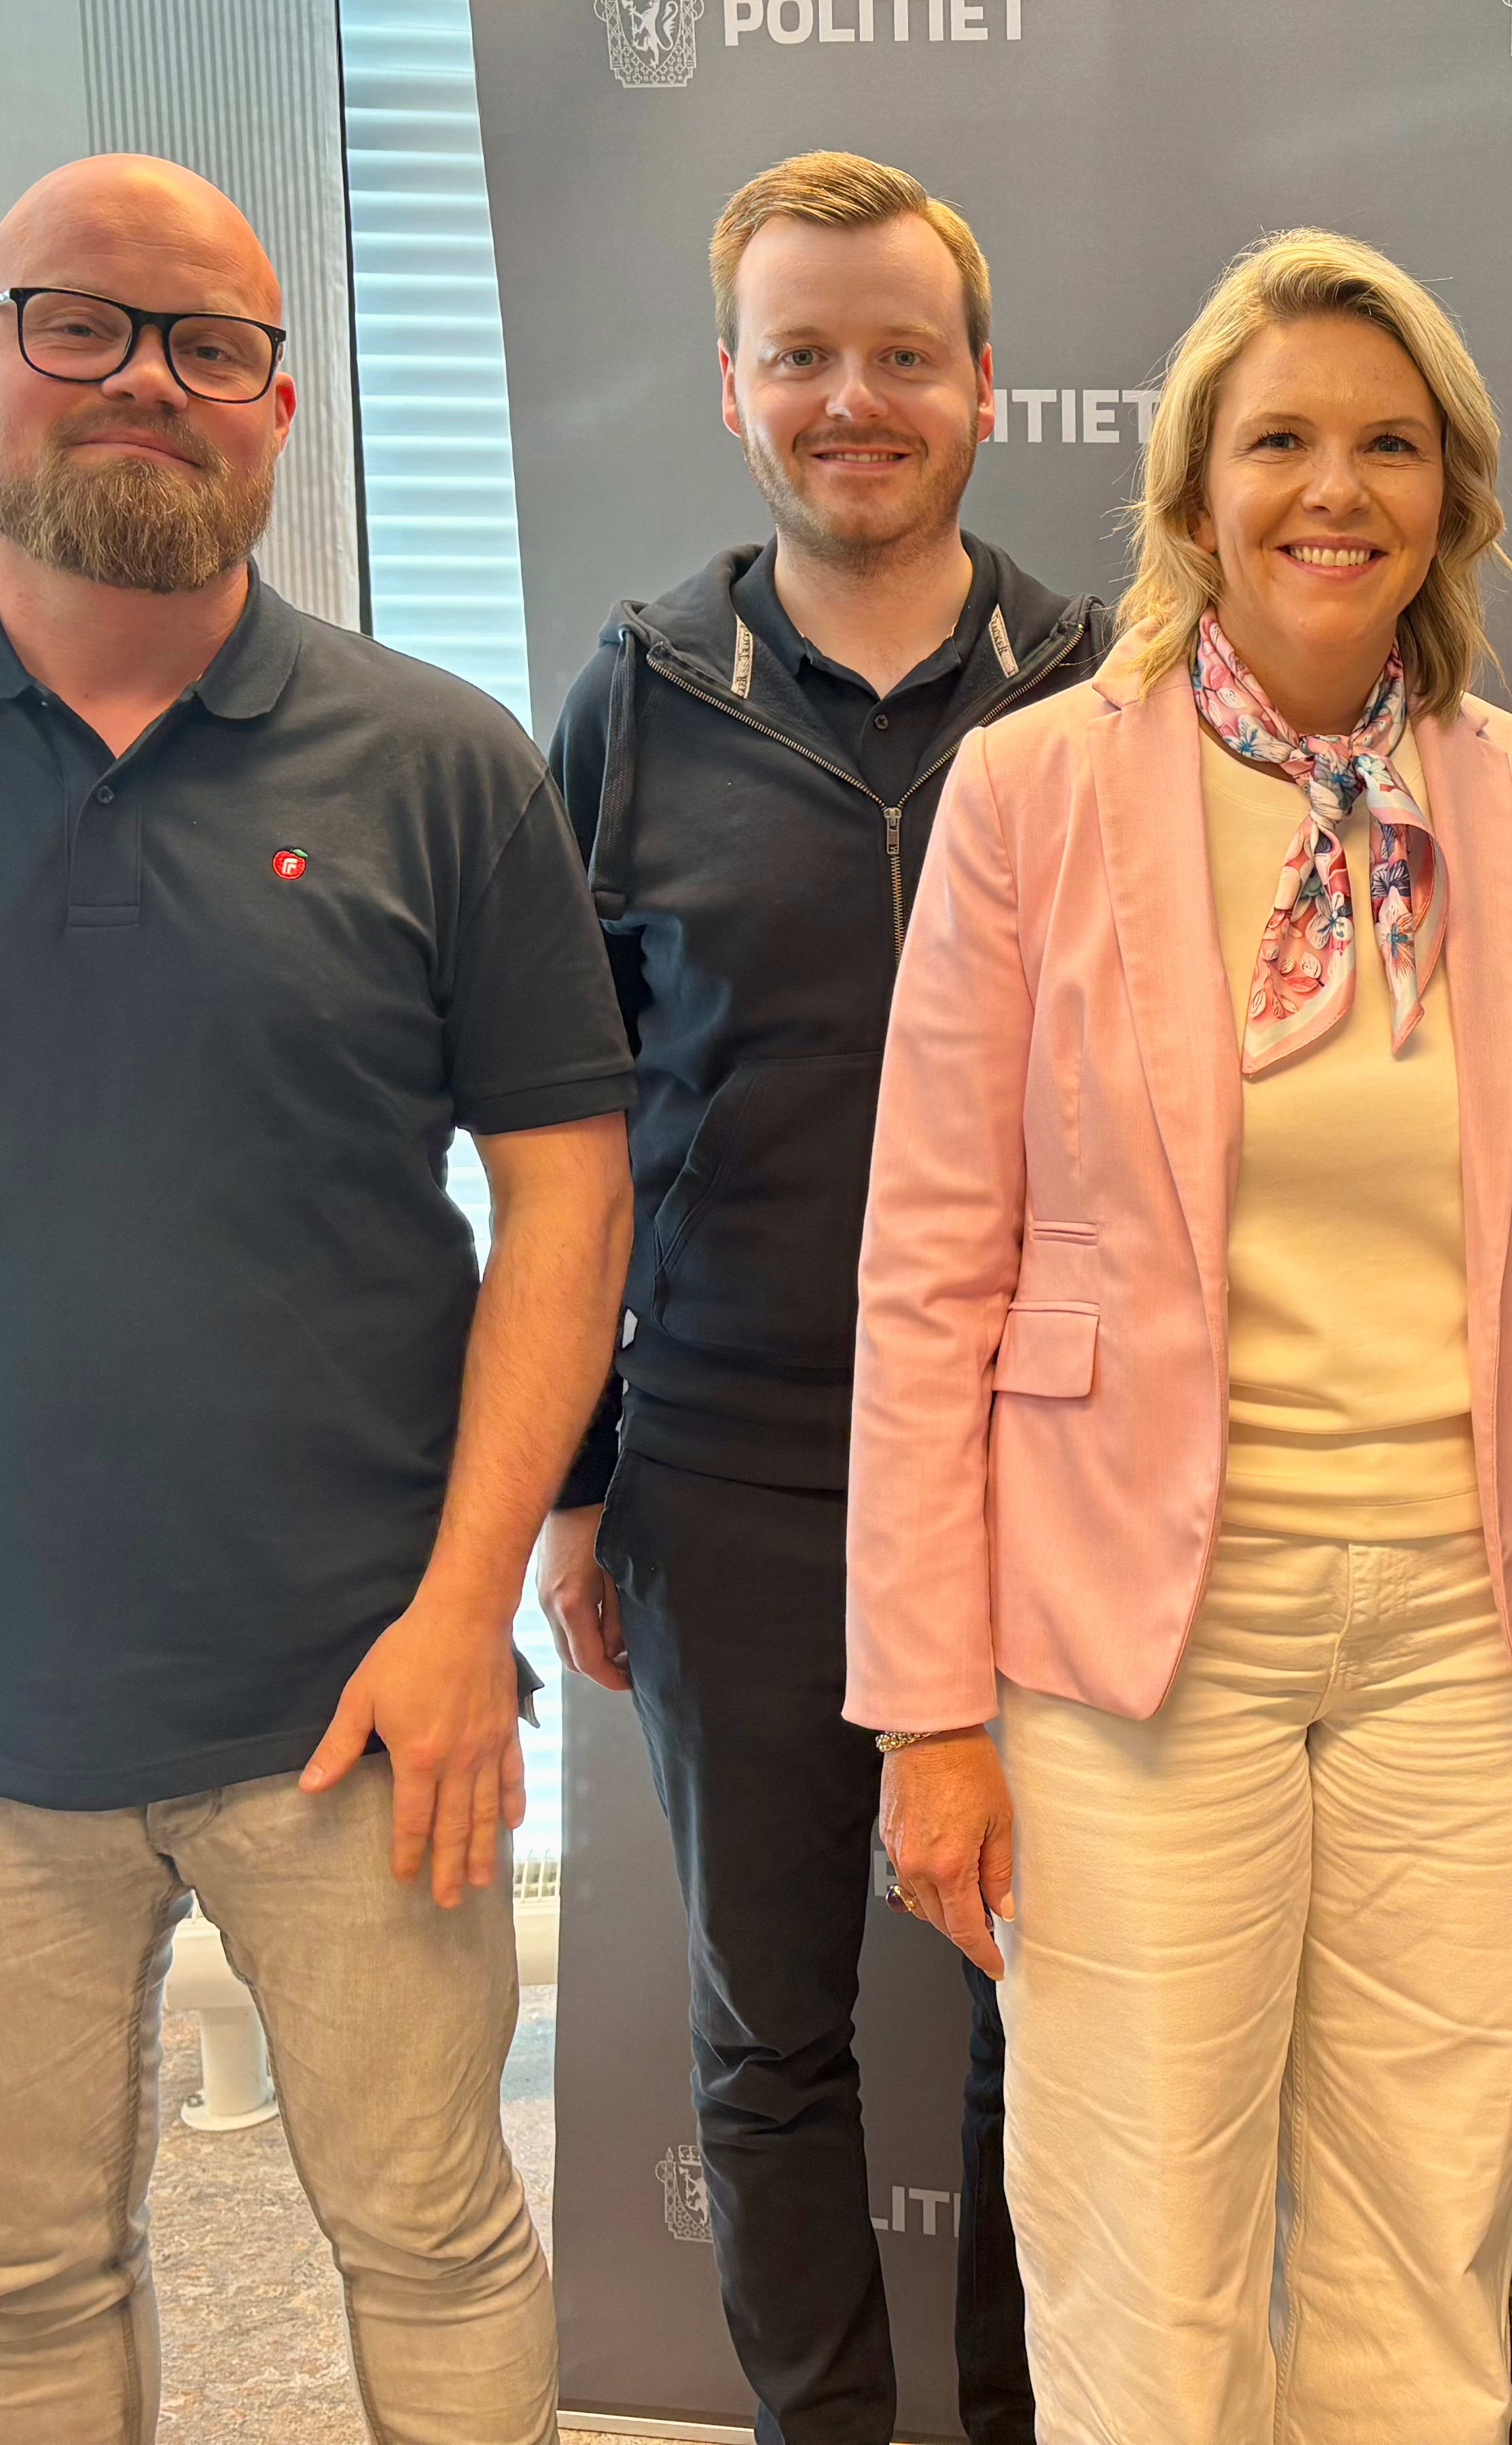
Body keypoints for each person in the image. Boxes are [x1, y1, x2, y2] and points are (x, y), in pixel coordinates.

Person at [0, 155, 632, 2444]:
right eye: (82, 323)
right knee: (18, 2282)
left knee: (437, 2235)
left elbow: (567, 1196)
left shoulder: (441, 767)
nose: (145, 381)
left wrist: (463, 1610)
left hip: (360, 1696)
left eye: (211, 344)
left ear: (280, 411)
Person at [849, 228, 1512, 2444]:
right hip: (1135, 1636)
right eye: (1279, 444)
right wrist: (925, 1709)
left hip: (1476, 1632)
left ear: (1450, 494)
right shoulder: (1034, 790)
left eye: (1387, 446)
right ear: (1191, 490)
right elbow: (930, 1263)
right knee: (1142, 2247)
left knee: (1423, 2234)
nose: (1334, 490)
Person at [534, 149, 1109, 2445]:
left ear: (983, 386)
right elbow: (567, 1136)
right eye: (801, 356)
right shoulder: (633, 706)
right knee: (770, 2032)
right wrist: (579, 1483)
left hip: (1056, 1463)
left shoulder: (1107, 688)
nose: (850, 399)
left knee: (1052, 2021)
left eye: (899, 354)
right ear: (731, 387)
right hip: (739, 1471)